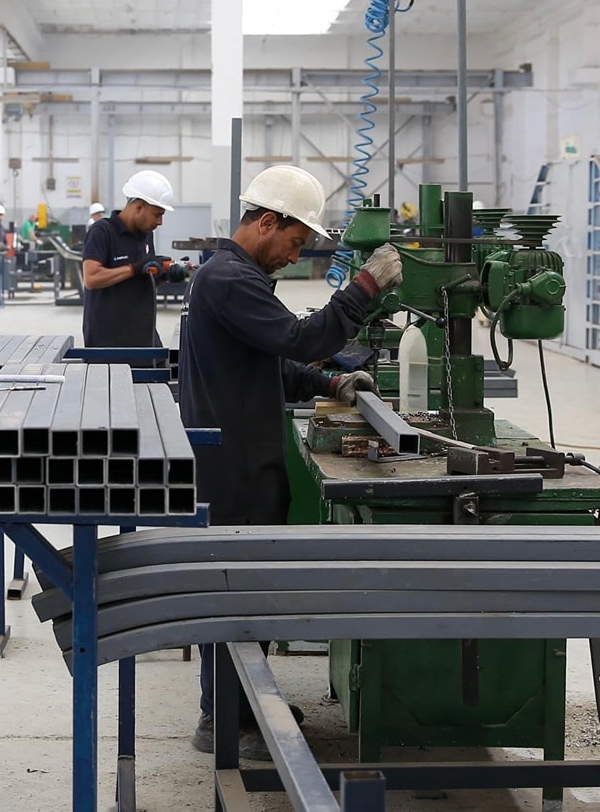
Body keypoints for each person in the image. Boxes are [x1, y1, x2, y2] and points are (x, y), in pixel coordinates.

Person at [175, 165, 402, 757]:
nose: (294, 256)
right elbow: (300, 339)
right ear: (267, 222)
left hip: (242, 459)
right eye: (295, 243)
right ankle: (224, 721)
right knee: (236, 598)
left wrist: (331, 384)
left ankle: (242, 703)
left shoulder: (231, 277)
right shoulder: (230, 279)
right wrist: (363, 289)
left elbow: (272, 363)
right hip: (234, 468)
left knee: (248, 596)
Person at [80, 170, 183, 348]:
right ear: (139, 207)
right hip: (109, 343)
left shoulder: (146, 235)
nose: (160, 222)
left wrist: (163, 274)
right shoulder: (102, 232)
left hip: (144, 338)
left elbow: (141, 277)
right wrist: (134, 268)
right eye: (157, 214)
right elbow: (91, 278)